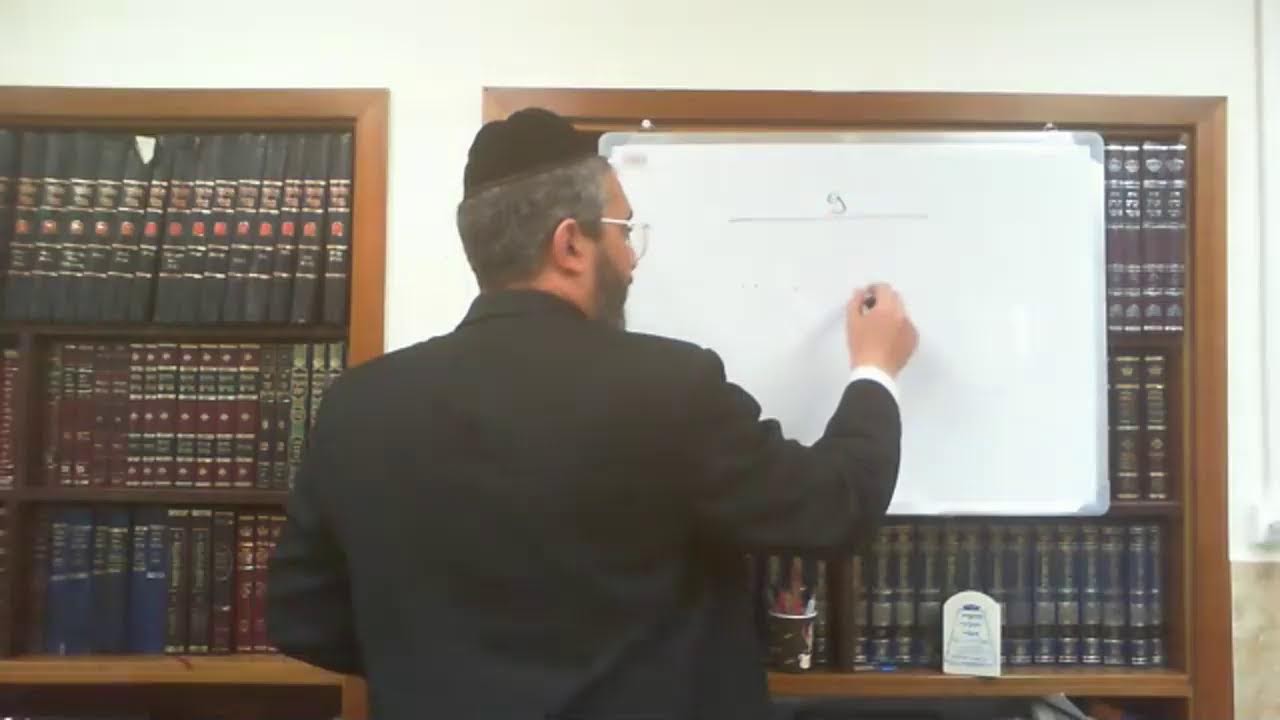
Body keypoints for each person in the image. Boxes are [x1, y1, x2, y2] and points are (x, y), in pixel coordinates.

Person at [266, 107, 918, 720]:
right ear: (571, 244)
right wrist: (875, 369)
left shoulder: (358, 404)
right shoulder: (670, 386)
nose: (631, 257)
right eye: (624, 230)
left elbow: (302, 617)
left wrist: (439, 669)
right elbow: (834, 508)